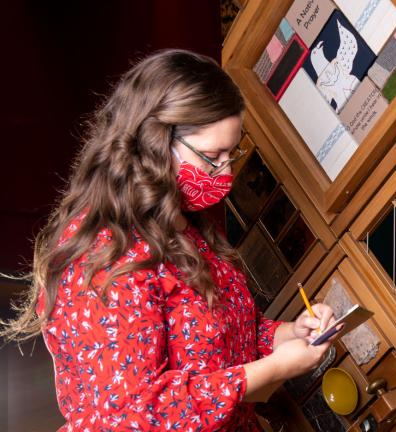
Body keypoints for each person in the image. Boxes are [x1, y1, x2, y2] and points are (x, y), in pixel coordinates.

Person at [0, 49, 337, 431]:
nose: (226, 172)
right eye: (213, 156)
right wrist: (273, 368)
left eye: (232, 152)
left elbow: (216, 338)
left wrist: (287, 333)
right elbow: (136, 415)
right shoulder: (106, 258)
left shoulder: (181, 222)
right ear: (154, 145)